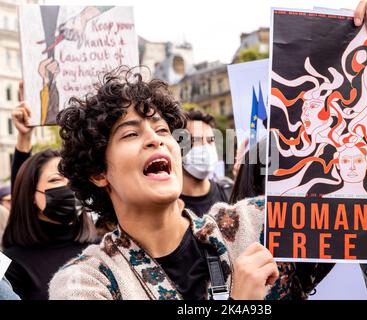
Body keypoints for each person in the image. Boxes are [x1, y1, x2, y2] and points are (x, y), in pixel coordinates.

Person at [48, 67, 332, 300]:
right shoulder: (85, 283)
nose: (156, 139)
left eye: (162, 130)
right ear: (98, 172)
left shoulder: (256, 223)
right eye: (131, 134)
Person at [1, 101, 97, 300]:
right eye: (56, 179)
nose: (69, 186)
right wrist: (24, 139)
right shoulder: (13, 264)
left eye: (73, 178)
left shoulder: (105, 248)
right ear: (31, 195)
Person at [180, 109, 233, 217]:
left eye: (210, 140)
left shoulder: (231, 193)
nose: (205, 147)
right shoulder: (166, 207)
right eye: (196, 140)